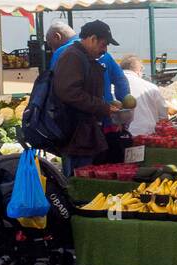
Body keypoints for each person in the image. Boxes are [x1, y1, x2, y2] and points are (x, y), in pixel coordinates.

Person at [49, 20, 130, 162]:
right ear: (93, 39)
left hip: (86, 133)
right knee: (80, 175)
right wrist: (103, 107)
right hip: (76, 135)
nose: (105, 50)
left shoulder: (85, 57)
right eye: (103, 44)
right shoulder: (72, 56)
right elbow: (69, 92)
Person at [118, 55, 168, 136]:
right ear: (139, 70)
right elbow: (163, 116)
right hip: (147, 134)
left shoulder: (111, 85)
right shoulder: (151, 87)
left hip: (119, 135)